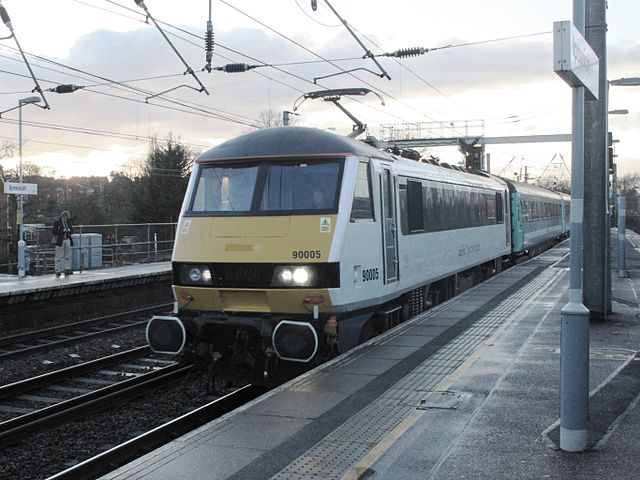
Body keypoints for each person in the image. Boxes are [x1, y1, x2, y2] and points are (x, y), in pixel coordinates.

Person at [52, 211, 73, 277]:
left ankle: (67, 269)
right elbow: (54, 231)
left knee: (67, 256)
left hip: (67, 239)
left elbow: (72, 230)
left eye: (66, 217)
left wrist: (69, 230)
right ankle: (57, 270)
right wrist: (62, 231)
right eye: (64, 216)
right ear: (62, 216)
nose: (65, 218)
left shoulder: (68, 222)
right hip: (60, 240)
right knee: (58, 256)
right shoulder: (57, 222)